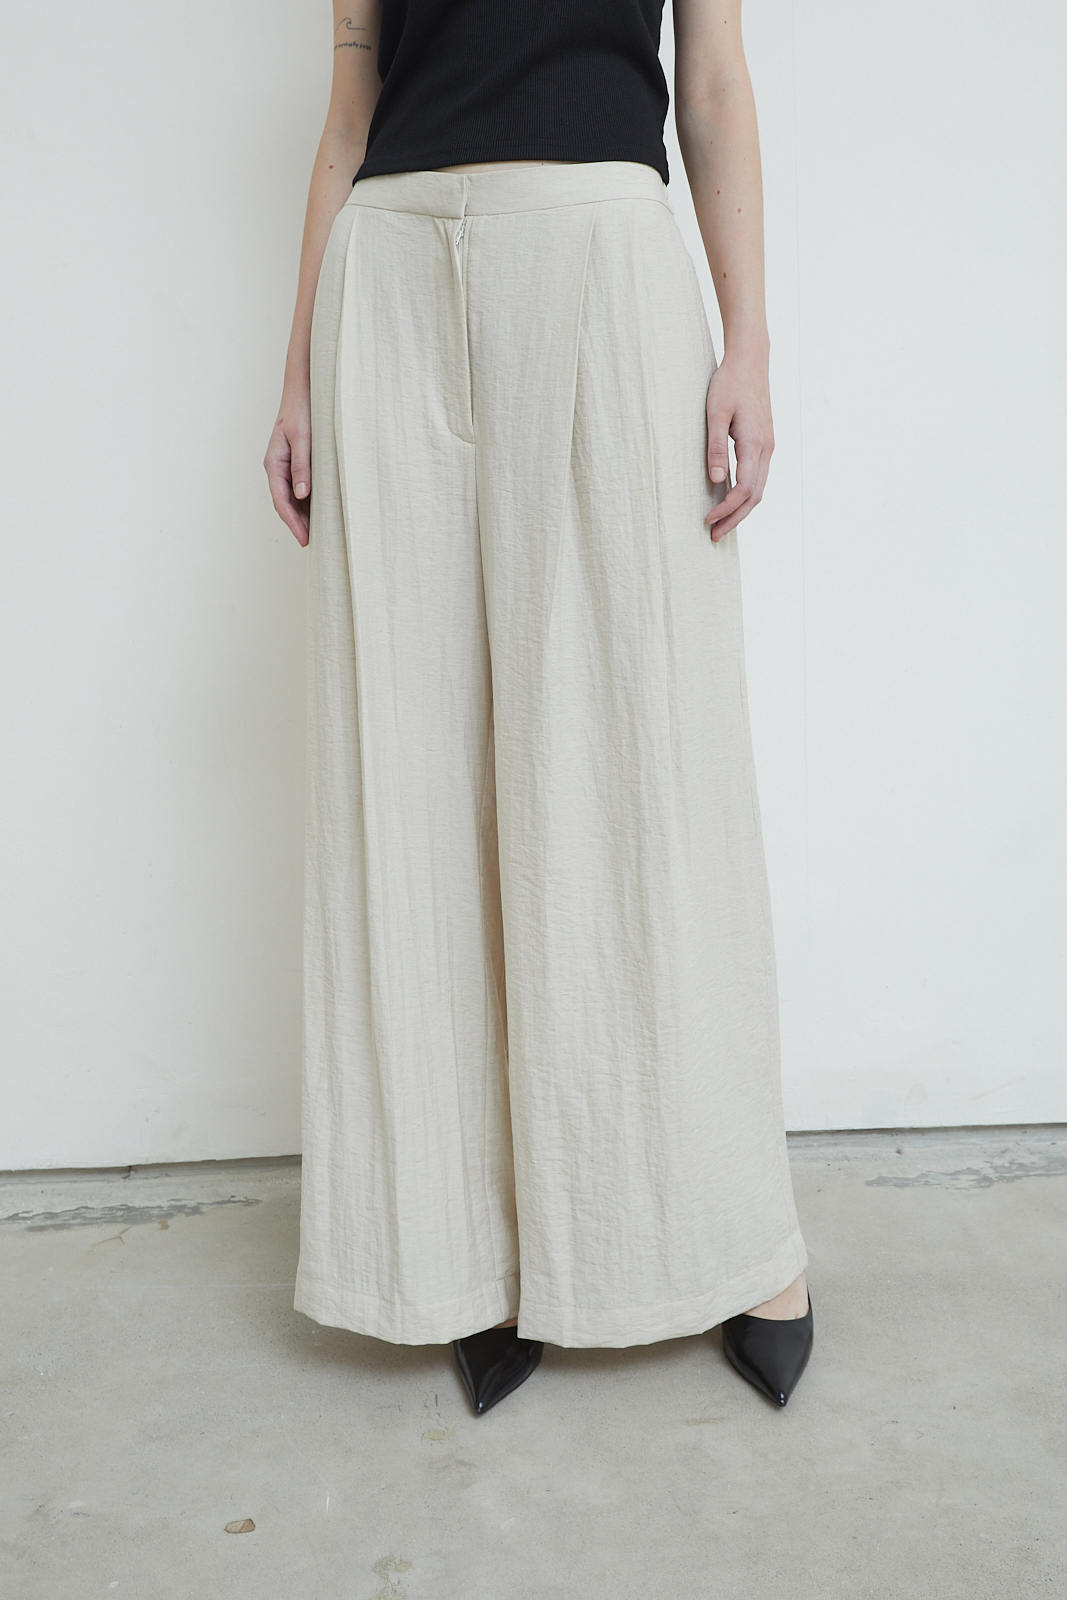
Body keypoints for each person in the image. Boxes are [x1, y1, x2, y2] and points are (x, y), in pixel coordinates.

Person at [265, 0, 813, 1415]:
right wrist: (298, 368)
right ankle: (465, 1251)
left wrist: (748, 342)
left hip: (598, 256)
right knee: (415, 765)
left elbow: (711, 80)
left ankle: (738, 1241)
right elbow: (351, 103)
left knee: (643, 752)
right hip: (390, 276)